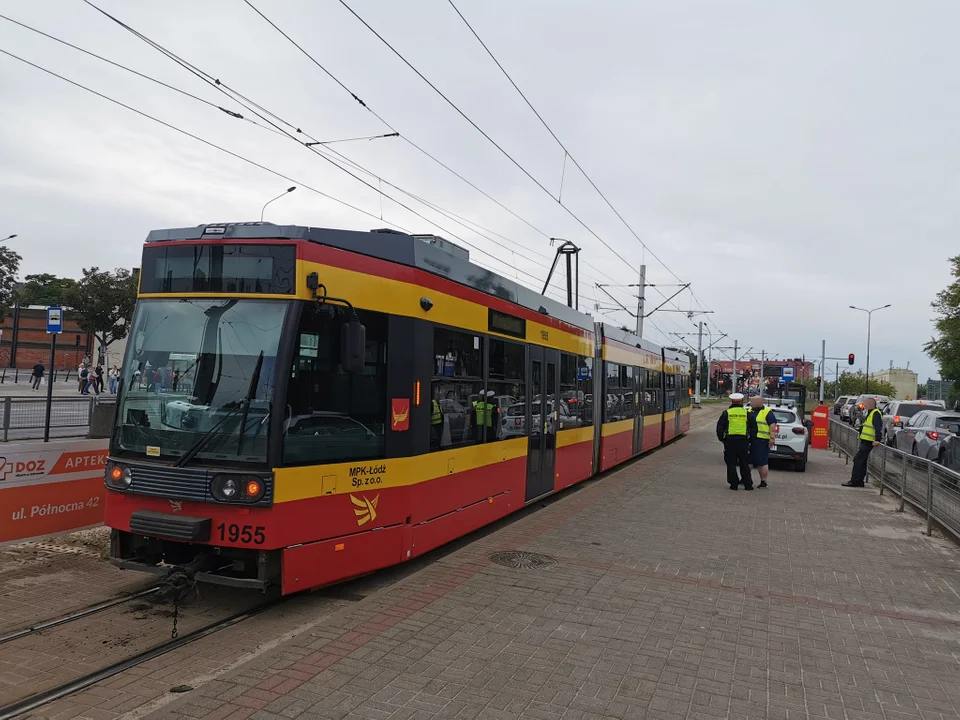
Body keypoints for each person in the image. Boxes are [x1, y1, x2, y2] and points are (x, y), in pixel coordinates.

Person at [716, 392, 757, 490]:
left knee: (731, 463)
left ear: (731, 401)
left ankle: (733, 484)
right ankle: (748, 485)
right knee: (744, 463)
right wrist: (750, 440)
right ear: (742, 402)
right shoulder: (747, 414)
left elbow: (720, 428)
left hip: (730, 441)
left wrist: (722, 439)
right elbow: (754, 429)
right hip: (743, 441)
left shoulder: (726, 413)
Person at [844, 397, 882, 487]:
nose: (864, 405)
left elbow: (878, 427)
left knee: (858, 460)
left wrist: (877, 439)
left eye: (865, 404)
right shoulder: (870, 412)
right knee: (861, 461)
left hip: (868, 441)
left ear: (871, 404)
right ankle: (859, 481)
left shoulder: (875, 413)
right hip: (865, 440)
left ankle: (855, 481)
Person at [748, 396, 779, 488]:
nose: (752, 403)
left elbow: (772, 425)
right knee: (748, 460)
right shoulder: (749, 411)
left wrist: (772, 438)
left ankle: (763, 481)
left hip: (762, 439)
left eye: (753, 401)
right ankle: (746, 478)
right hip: (750, 439)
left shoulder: (767, 412)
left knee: (761, 461)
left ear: (759, 402)